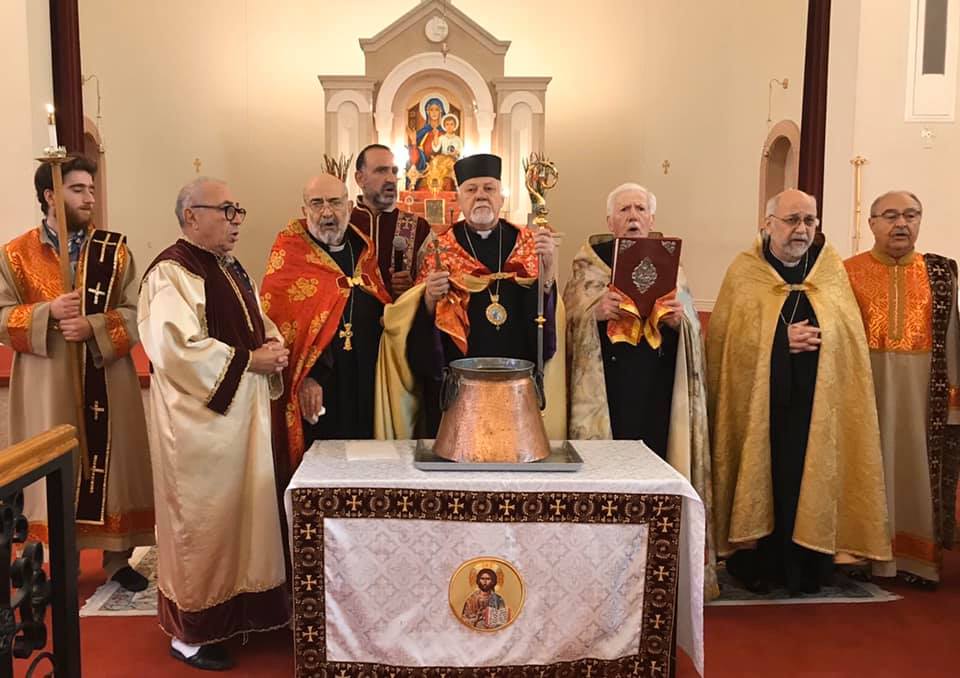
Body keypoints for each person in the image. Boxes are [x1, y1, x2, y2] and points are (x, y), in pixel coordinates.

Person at [138, 177, 290, 671]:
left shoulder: (229, 267)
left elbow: (256, 322)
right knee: (203, 530)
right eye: (226, 211)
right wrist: (251, 361)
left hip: (242, 424)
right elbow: (175, 350)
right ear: (191, 216)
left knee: (243, 523)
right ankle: (191, 633)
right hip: (199, 432)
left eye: (237, 210)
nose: (236, 220)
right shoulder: (172, 272)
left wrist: (272, 344)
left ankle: (242, 615)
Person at [708, 189, 891, 595]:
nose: (802, 230)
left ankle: (812, 566)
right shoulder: (745, 271)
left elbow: (847, 336)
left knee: (813, 479)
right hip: (765, 409)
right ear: (768, 223)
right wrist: (780, 341)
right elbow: (729, 344)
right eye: (792, 220)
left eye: (810, 221)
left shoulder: (829, 270)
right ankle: (757, 564)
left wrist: (823, 338)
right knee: (769, 481)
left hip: (818, 406)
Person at [0, 156, 153, 592]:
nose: (89, 198)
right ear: (51, 195)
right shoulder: (15, 254)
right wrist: (47, 312)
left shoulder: (114, 251)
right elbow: (1, 315)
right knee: (52, 464)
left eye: (91, 189)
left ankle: (117, 559)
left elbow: (136, 311)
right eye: (78, 189)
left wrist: (94, 326)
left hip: (106, 374)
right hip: (46, 380)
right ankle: (55, 561)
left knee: (113, 465)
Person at [563, 182, 716, 598]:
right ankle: (602, 568)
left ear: (651, 218)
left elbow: (691, 330)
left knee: (657, 474)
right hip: (608, 393)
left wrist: (679, 323)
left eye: (640, 209)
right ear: (609, 220)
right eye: (624, 210)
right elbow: (567, 321)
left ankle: (660, 568)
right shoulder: (587, 267)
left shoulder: (673, 266)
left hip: (659, 391)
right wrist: (594, 314)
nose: (633, 217)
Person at [374, 153, 565, 439]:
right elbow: (421, 329)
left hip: (515, 378)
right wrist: (429, 299)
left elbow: (544, 317)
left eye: (489, 188)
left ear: (501, 196)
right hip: (458, 384)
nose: (481, 196)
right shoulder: (439, 249)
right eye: (471, 189)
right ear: (459, 199)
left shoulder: (529, 243)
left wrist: (547, 276)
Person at [845, 190, 960, 587]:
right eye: (891, 215)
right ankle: (862, 554)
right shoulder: (846, 272)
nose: (901, 224)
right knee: (865, 468)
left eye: (911, 215)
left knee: (915, 469)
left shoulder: (940, 274)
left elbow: (951, 337)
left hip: (921, 394)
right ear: (872, 223)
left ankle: (915, 559)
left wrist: (953, 403)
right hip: (865, 391)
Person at [262, 174, 392, 485]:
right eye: (317, 204)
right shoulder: (290, 253)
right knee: (324, 469)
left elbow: (381, 306)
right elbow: (281, 325)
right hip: (320, 386)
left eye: (334, 202)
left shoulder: (363, 250)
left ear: (349, 206)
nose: (326, 212)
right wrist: (308, 377)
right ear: (304, 209)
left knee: (368, 465)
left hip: (367, 378)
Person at [351, 144, 432, 299]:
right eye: (381, 171)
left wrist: (413, 288)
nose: (391, 179)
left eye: (394, 171)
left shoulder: (419, 227)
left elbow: (434, 285)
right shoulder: (344, 225)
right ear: (360, 179)